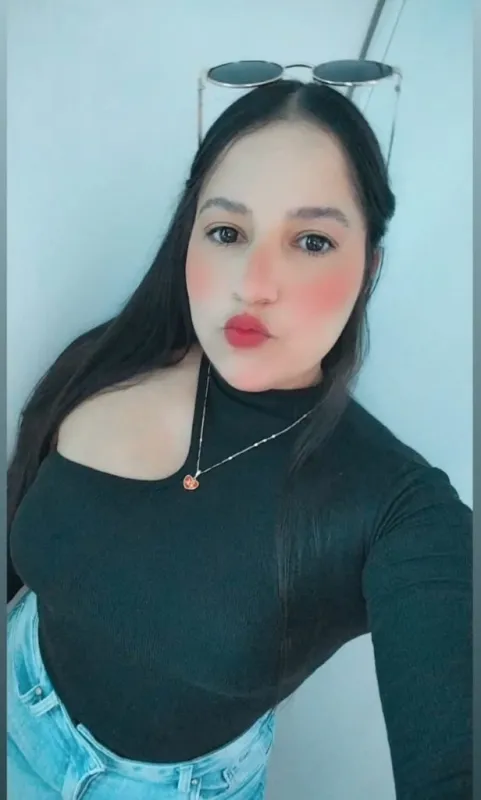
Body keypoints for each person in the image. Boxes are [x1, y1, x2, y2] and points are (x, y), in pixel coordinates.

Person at [7, 78, 471, 800]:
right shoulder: (109, 361)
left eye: (311, 241)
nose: (254, 284)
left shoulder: (397, 509)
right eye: (227, 232)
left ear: (368, 269)